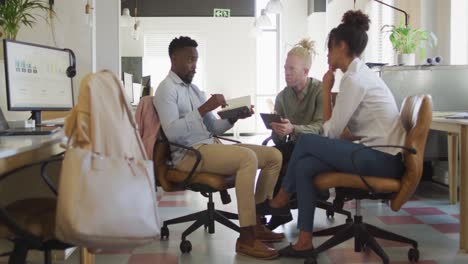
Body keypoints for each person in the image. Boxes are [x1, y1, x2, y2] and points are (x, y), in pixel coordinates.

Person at [268, 10, 407, 257]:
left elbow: (330, 131)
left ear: (341, 46)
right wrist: (329, 89)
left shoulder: (354, 79)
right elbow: (337, 129)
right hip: (377, 154)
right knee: (305, 166)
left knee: (307, 141)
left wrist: (325, 90)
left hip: (383, 159)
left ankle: (281, 197)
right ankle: (304, 240)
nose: (328, 55)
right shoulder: (358, 75)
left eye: (330, 49)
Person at [154, 36, 286, 259]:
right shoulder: (166, 90)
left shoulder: (194, 89)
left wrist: (234, 117)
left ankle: (256, 223)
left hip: (208, 147)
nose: (194, 65)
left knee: (273, 155)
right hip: (189, 154)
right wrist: (204, 108)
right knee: (247, 158)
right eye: (189, 60)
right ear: (174, 59)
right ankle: (246, 238)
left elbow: (214, 127)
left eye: (196, 59)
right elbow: (173, 132)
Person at [266, 38, 324, 230]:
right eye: (285, 68)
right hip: (292, 145)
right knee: (272, 157)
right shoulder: (282, 97)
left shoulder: (319, 91)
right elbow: (279, 139)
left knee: (290, 158)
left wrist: (294, 129)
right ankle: (273, 210)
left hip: (317, 146)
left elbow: (321, 126)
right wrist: (279, 131)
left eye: (291, 69)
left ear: (305, 72)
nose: (286, 73)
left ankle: (278, 211)